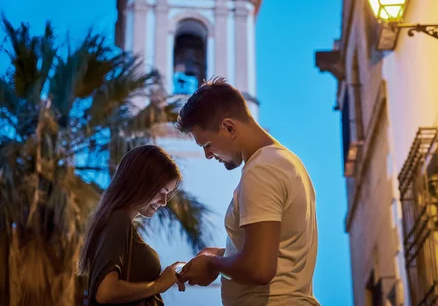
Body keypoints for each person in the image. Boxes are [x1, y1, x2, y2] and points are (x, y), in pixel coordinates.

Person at [176, 77, 321, 306]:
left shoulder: (262, 170)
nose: (208, 155)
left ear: (229, 128)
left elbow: (259, 268)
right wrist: (221, 255)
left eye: (207, 145)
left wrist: (213, 265)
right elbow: (276, 252)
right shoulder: (282, 161)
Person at [78, 145, 186, 305]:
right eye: (161, 192)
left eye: (167, 194)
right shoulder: (118, 221)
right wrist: (158, 285)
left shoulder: (118, 222)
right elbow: (105, 293)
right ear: (141, 183)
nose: (164, 202)